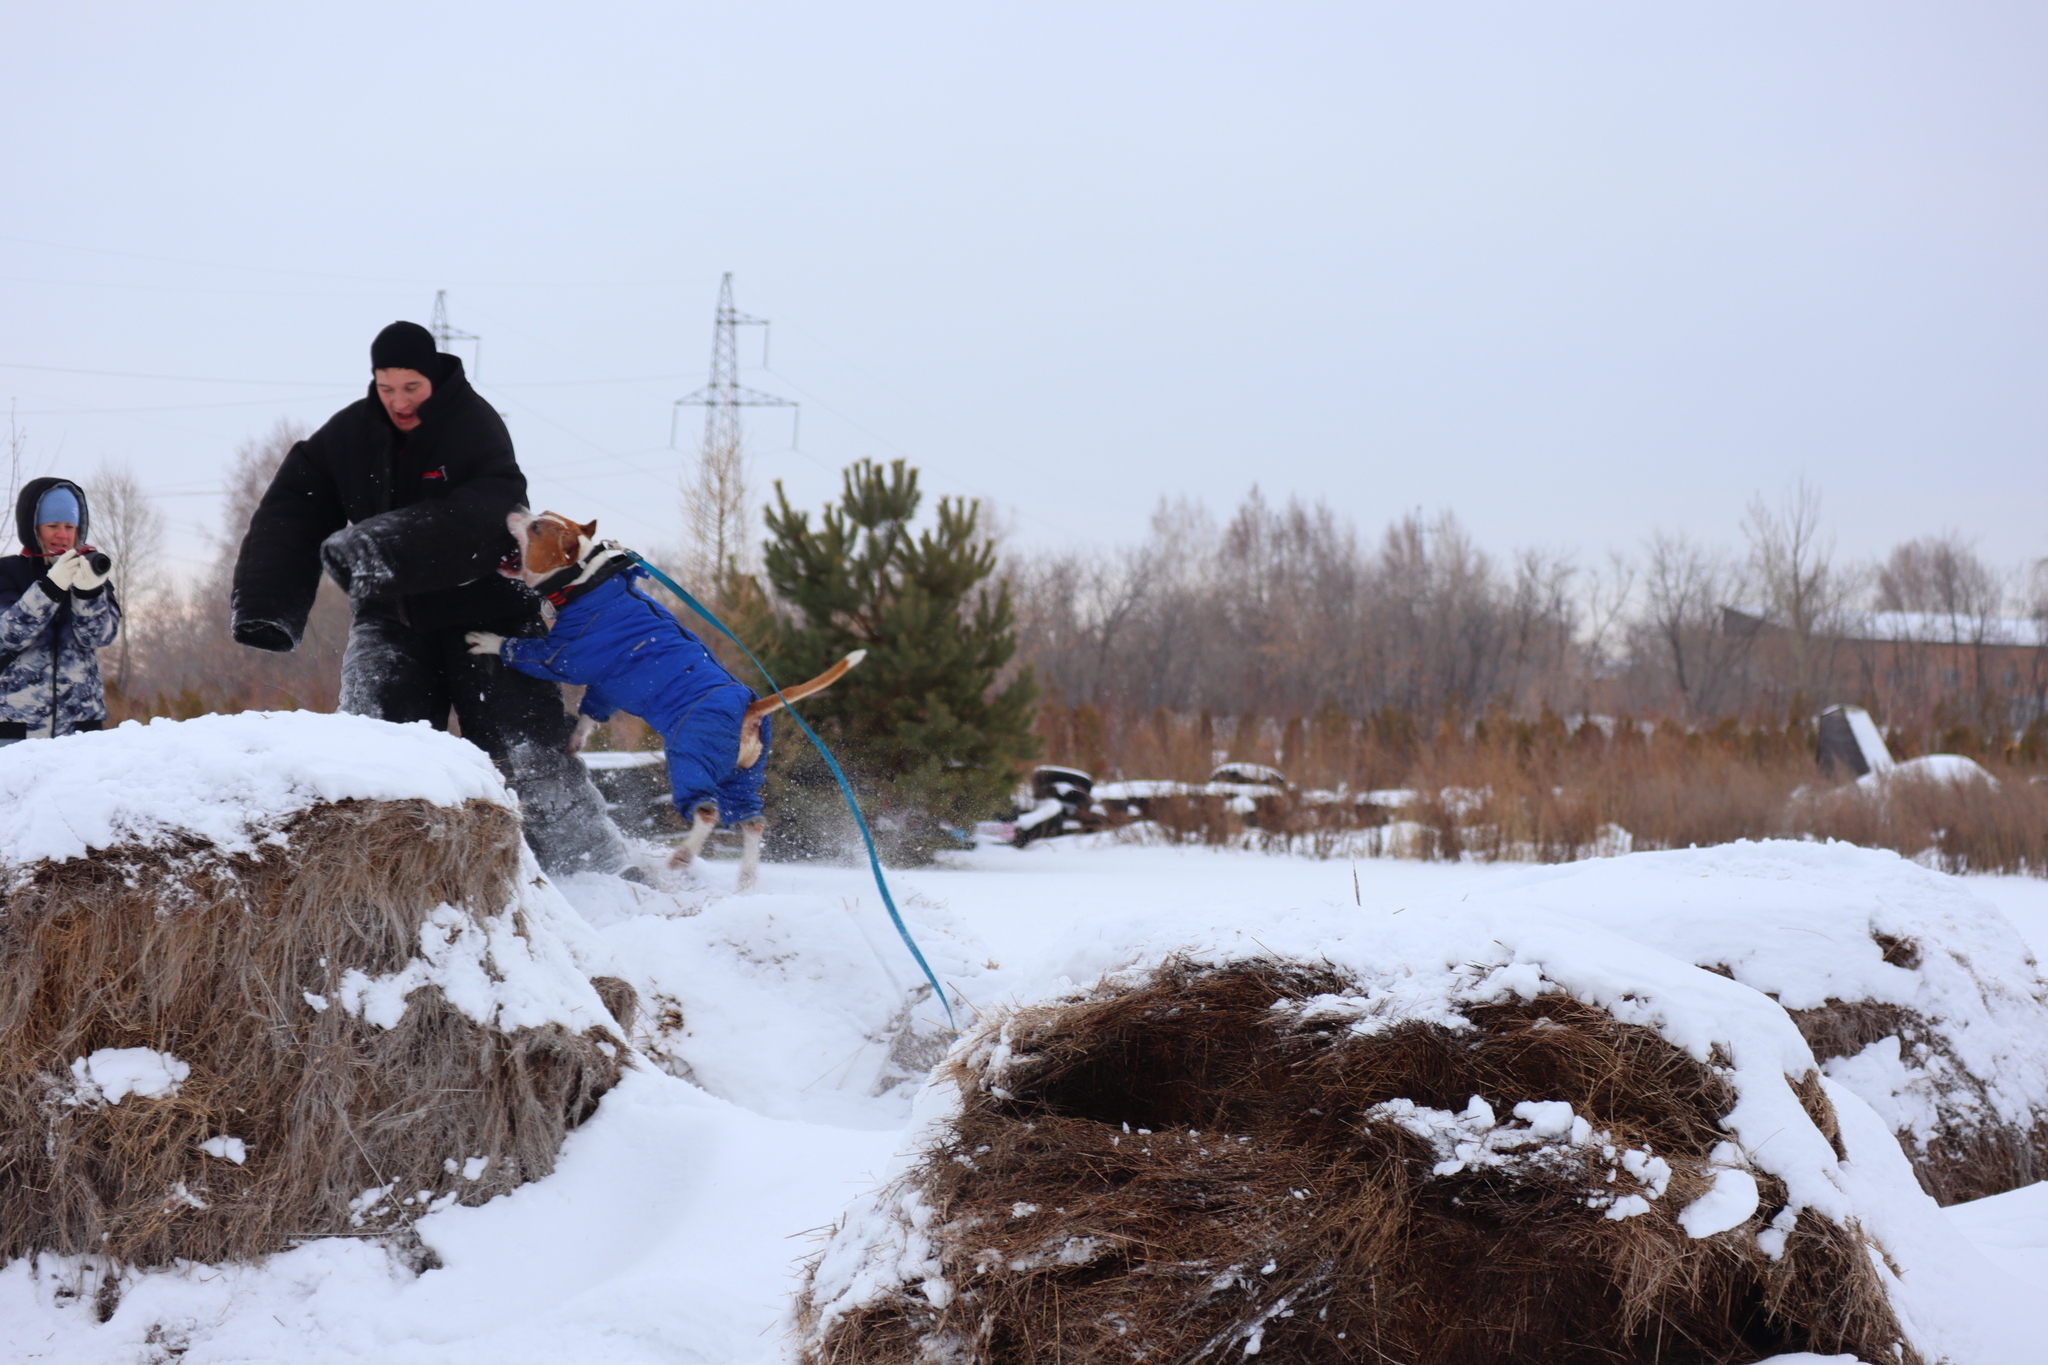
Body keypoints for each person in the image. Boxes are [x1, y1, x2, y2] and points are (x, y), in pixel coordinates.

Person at [230, 321, 629, 875]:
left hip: (488, 614)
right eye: (386, 387)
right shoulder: (349, 434)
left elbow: (486, 511)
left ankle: (593, 877)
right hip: (392, 617)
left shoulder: (474, 425)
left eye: (411, 388)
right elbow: (294, 507)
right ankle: (388, 884)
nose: (398, 401)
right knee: (375, 757)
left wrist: (378, 546)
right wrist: (267, 606)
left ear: (433, 378)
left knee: (528, 753)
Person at [0, 478, 120, 746]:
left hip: (80, 730)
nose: (62, 535)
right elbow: (9, 634)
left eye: (69, 527)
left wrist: (88, 593)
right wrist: (50, 588)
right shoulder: (7, 573)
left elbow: (98, 638)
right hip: (16, 732)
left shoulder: (92, 575)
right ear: (33, 528)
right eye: (52, 526)